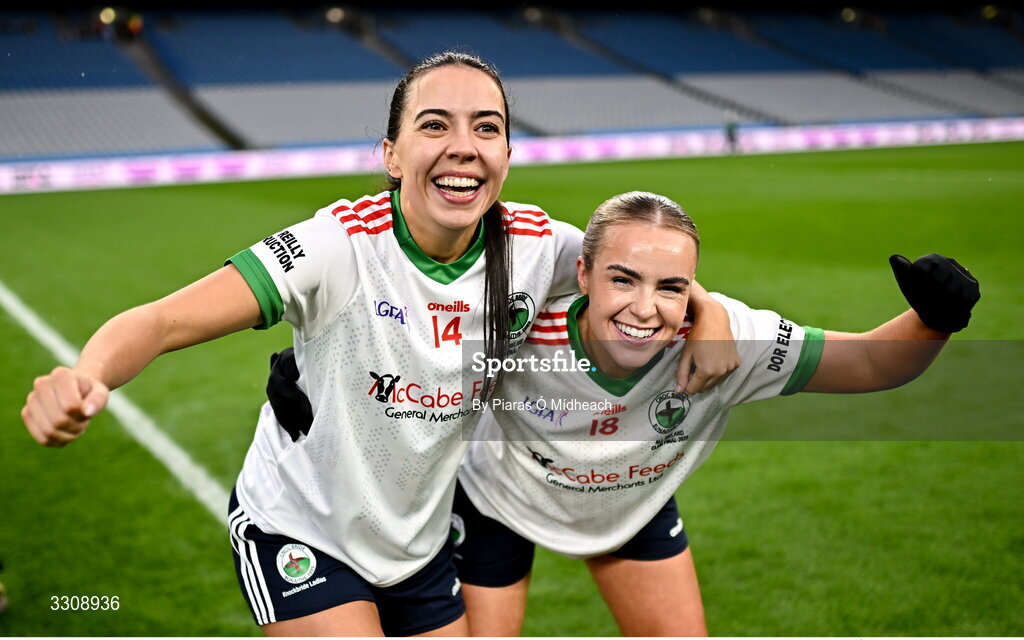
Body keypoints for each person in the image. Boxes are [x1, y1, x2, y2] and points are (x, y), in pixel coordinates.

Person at [19, 53, 735, 637]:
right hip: (302, 529)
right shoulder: (336, 246)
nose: (463, 145)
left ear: (508, 155)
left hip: (419, 546)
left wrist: (709, 312)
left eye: (486, 128)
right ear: (392, 154)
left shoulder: (536, 244)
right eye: (435, 125)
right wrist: (88, 374)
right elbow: (165, 320)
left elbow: (631, 272)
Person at [265, 190, 979, 636]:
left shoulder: (725, 344)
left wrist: (933, 320)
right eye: (622, 279)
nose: (645, 308)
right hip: (496, 506)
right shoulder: (515, 321)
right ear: (580, 274)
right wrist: (325, 369)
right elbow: (403, 336)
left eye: (672, 287)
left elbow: (873, 364)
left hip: (633, 509)